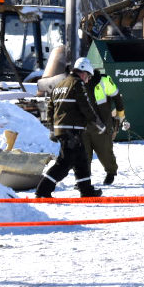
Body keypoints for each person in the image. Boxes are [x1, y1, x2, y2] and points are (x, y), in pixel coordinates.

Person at [35, 57, 107, 198]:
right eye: (88, 76)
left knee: (81, 159)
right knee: (64, 163)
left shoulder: (59, 85)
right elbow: (85, 106)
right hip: (71, 130)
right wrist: (98, 123)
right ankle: (42, 191)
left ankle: (86, 191)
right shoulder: (77, 84)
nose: (88, 79)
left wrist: (53, 127)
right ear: (83, 72)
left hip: (64, 129)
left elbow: (49, 107)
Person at [83, 68, 128, 185]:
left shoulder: (104, 80)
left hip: (102, 124)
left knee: (105, 152)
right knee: (83, 154)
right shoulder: (76, 82)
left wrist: (120, 115)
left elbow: (117, 97)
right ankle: (82, 179)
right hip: (83, 125)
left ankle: (111, 172)